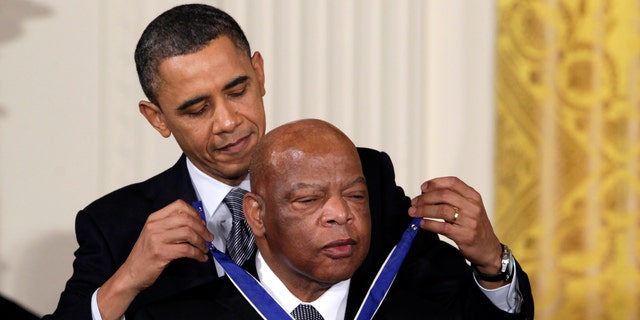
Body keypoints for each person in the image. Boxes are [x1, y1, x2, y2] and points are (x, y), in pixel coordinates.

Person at [44, 4, 533, 319]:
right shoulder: (117, 225)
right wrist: (128, 279)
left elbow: (459, 309)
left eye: (237, 90)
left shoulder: (362, 181)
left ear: (259, 73)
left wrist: (493, 262)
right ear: (157, 118)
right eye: (196, 108)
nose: (228, 122)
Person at [133, 119, 530, 320]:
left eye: (356, 196)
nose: (341, 214)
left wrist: (493, 263)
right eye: (309, 199)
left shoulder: (422, 303)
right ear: (256, 215)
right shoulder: (178, 315)